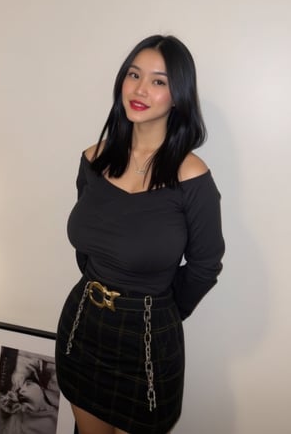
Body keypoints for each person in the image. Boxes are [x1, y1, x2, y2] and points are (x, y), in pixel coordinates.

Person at [55, 34, 225, 434]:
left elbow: (204, 266)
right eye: (134, 74)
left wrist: (160, 309)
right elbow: (87, 248)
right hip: (83, 329)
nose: (140, 88)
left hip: (148, 342)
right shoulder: (93, 159)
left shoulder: (192, 177)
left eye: (159, 81)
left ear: (178, 96)